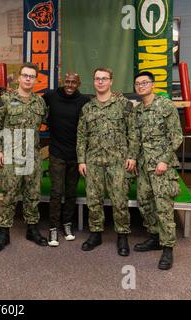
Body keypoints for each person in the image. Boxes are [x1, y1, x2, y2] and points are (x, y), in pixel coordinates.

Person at [76, 67, 138, 256]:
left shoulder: (123, 104)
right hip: (93, 160)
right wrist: (81, 160)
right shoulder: (88, 107)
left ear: (111, 81)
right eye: (97, 79)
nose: (100, 82)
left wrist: (132, 156)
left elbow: (133, 131)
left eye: (104, 78)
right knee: (93, 200)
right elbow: (81, 136)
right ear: (94, 82)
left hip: (117, 161)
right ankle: (96, 234)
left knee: (119, 200)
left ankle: (122, 235)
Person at [0, 62, 48, 252]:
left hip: (32, 155)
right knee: (9, 194)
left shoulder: (39, 102)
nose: (28, 79)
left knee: (32, 194)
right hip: (10, 154)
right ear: (19, 77)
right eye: (25, 75)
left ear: (35, 79)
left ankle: (32, 229)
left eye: (32, 76)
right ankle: (4, 233)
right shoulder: (6, 100)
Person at [133, 71, 183, 270]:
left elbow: (177, 136)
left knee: (163, 207)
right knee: (145, 203)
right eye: (137, 83)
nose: (141, 86)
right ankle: (154, 237)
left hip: (161, 166)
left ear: (152, 85)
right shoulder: (138, 110)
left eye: (145, 82)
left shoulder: (165, 105)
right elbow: (136, 139)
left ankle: (168, 248)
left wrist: (164, 160)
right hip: (144, 166)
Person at [42, 72, 90, 247]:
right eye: (67, 81)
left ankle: (67, 224)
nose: (70, 85)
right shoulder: (50, 96)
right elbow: (35, 106)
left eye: (74, 82)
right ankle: (53, 227)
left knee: (71, 192)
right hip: (56, 153)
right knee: (56, 192)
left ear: (79, 83)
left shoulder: (84, 101)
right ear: (62, 82)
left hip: (75, 154)